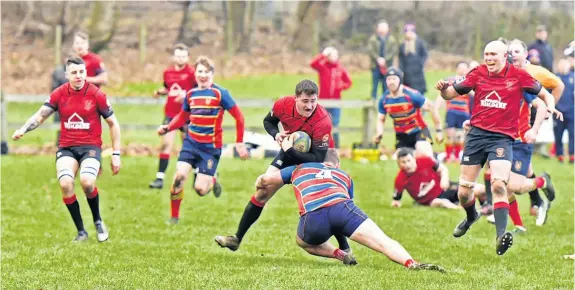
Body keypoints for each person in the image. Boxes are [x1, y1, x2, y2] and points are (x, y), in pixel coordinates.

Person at [214, 80, 356, 262]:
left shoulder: (322, 120)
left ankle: (345, 247)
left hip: (320, 158)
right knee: (262, 192)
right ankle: (236, 239)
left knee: (328, 201)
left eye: (313, 100)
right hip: (290, 152)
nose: (310, 105)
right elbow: (269, 121)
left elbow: (317, 159)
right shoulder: (282, 104)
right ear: (296, 98)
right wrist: (276, 134)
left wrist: (290, 150)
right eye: (305, 101)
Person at [436, 40, 552, 255]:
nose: (488, 58)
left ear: (504, 56)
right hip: (476, 137)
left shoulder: (518, 75)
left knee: (499, 185)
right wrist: (443, 90)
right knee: (463, 193)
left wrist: (551, 107)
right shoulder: (477, 73)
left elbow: (545, 94)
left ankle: (501, 235)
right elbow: (450, 94)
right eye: (486, 54)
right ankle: (472, 215)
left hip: (502, 139)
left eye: (493, 55)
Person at [253, 149, 445, 272]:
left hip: (313, 217)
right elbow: (343, 210)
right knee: (382, 240)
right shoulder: (344, 175)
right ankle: (411, 263)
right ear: (337, 164)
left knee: (302, 242)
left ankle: (340, 254)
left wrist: (259, 181)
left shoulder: (300, 169)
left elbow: (266, 180)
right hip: (343, 209)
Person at [12, 57, 121, 242]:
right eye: (74, 72)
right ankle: (81, 232)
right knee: (65, 185)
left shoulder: (96, 95)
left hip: (90, 148)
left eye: (81, 72)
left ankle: (97, 220)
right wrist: (23, 129)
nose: (78, 76)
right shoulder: (59, 93)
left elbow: (113, 123)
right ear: (66, 75)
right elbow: (40, 115)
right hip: (67, 148)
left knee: (87, 183)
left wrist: (116, 154)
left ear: (85, 73)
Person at [158, 56, 249, 224]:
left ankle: (212, 179)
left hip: (210, 148)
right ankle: (174, 217)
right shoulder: (191, 94)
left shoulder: (220, 93)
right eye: (200, 71)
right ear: (195, 74)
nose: (203, 75)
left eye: (207, 72)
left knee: (200, 189)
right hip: (191, 144)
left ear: (212, 74)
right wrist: (168, 127)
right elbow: (183, 116)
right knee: (179, 177)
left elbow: (239, 117)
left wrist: (240, 142)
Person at [149, 44, 197, 189]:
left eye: (183, 56)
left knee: (188, 147)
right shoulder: (168, 72)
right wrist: (160, 92)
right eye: (178, 55)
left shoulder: (193, 73)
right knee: (166, 144)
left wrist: (186, 95)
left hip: (187, 114)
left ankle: (196, 175)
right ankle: (159, 179)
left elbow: (199, 90)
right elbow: (169, 87)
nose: (180, 59)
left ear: (188, 58)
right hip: (170, 114)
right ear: (173, 57)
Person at [373, 67, 442, 159]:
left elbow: (431, 107)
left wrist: (439, 131)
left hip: (418, 131)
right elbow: (381, 119)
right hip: (401, 135)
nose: (391, 82)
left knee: (423, 155)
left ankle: (434, 158)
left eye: (394, 79)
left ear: (400, 80)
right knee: (400, 160)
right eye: (389, 79)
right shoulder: (384, 99)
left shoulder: (412, 95)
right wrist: (379, 133)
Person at [393, 148, 486, 209]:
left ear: (414, 158)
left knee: (480, 189)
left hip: (446, 189)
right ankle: (462, 209)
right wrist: (396, 203)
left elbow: (442, 169)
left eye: (409, 160)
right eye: (403, 162)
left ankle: (485, 207)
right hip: (431, 200)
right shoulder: (400, 179)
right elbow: (396, 200)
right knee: (442, 203)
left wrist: (444, 179)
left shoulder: (425, 161)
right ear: (398, 164)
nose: (407, 165)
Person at [309, 47, 352, 149]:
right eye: (330, 55)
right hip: (324, 101)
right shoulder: (323, 67)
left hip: (336, 101)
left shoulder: (340, 69)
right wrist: (323, 54)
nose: (332, 57)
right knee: (321, 123)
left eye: (334, 55)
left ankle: (336, 147)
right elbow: (312, 63)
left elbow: (349, 82)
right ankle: (321, 145)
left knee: (335, 123)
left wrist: (341, 87)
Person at [435, 62, 472, 162]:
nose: (462, 70)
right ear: (457, 69)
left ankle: (456, 156)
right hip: (451, 111)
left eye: (465, 68)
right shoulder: (450, 80)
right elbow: (442, 94)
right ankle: (448, 156)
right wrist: (436, 107)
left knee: (460, 136)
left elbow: (474, 94)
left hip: (464, 112)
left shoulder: (469, 81)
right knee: (450, 134)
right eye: (460, 67)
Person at [368, 20, 398, 99]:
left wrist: (385, 59)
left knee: (386, 86)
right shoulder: (373, 39)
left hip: (387, 67)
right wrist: (378, 59)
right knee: (374, 86)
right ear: (377, 29)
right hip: (376, 67)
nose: (382, 29)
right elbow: (370, 51)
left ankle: (386, 103)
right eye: (380, 27)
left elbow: (393, 51)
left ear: (388, 29)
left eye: (384, 27)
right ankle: (372, 104)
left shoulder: (392, 40)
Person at [554, 58, 575, 163]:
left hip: (571, 111)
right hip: (558, 111)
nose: (563, 67)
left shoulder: (573, 77)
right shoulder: (555, 77)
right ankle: (560, 155)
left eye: (565, 65)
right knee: (558, 134)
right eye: (561, 64)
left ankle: (572, 154)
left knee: (572, 134)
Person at [398, 23, 428, 95]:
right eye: (407, 32)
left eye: (410, 32)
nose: (409, 34)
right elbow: (401, 59)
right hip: (407, 73)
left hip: (418, 72)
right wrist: (401, 70)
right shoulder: (402, 45)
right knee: (408, 93)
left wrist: (421, 64)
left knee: (419, 92)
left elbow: (425, 54)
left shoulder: (419, 43)